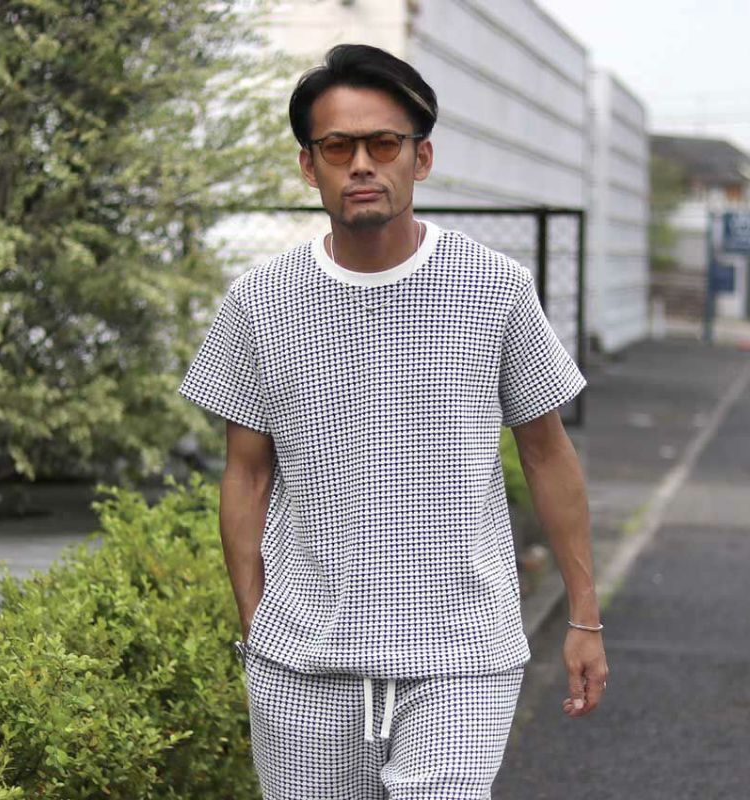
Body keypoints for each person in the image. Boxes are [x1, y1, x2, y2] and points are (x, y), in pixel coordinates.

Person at [179, 43, 608, 800]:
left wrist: (584, 616)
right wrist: (256, 624)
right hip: (304, 665)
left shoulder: (496, 287)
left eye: (384, 144)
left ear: (422, 157)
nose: (361, 165)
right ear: (309, 166)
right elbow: (246, 474)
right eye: (337, 147)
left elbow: (547, 454)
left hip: (462, 656)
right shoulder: (259, 301)